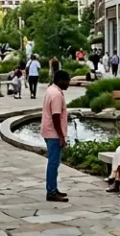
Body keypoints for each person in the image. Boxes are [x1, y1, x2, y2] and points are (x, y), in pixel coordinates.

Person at [42, 70, 71, 202]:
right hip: (53, 134)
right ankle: (51, 192)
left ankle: (53, 188)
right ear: (61, 80)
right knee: (53, 163)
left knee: (54, 163)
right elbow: (56, 116)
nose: (68, 83)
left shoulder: (51, 90)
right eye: (67, 81)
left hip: (48, 131)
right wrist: (61, 137)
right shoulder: (57, 95)